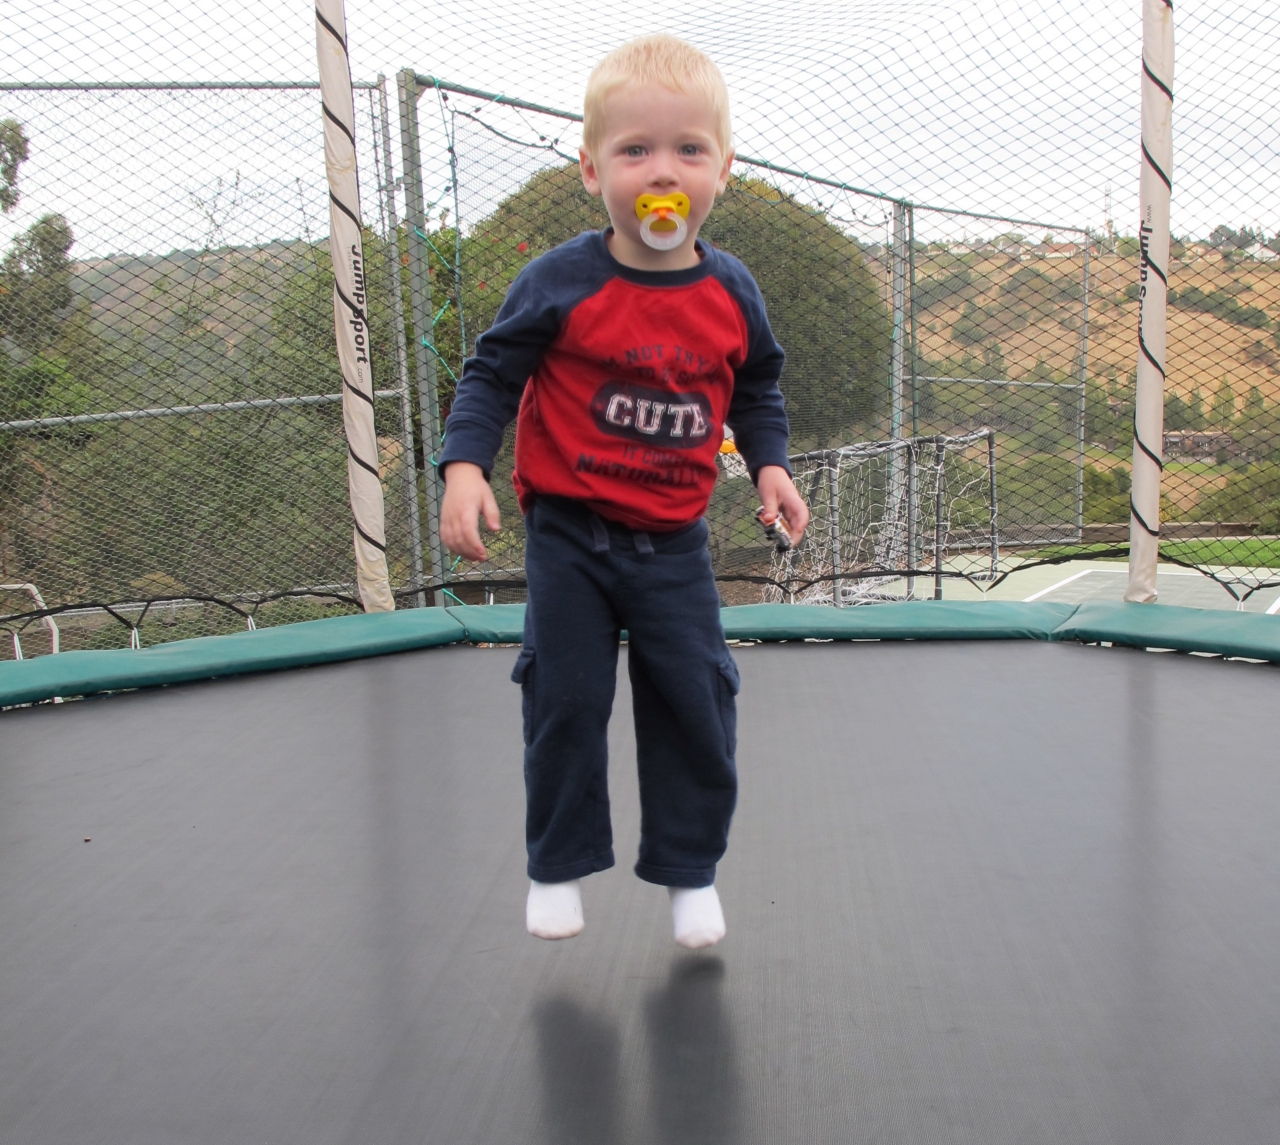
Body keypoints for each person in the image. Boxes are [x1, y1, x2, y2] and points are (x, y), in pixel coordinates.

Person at [438, 34, 809, 949]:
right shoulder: (560, 281)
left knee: (695, 699)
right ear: (591, 169)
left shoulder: (732, 290)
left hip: (674, 541)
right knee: (564, 699)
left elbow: (757, 384)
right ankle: (557, 864)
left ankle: (690, 871)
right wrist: (463, 466)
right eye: (635, 149)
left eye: (689, 149)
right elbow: (490, 375)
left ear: (724, 167)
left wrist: (769, 462)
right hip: (570, 536)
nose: (663, 171)